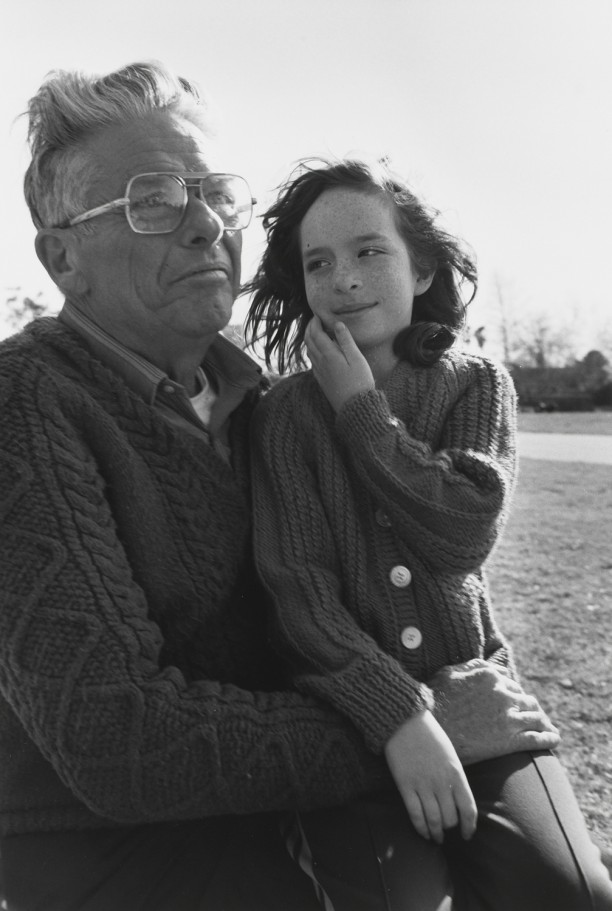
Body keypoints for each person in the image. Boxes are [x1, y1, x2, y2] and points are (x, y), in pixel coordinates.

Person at [0, 61, 568, 911]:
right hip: (111, 846)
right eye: (152, 200)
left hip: (285, 792)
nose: (205, 224)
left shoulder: (265, 402)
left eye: (216, 192)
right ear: (63, 257)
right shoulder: (26, 401)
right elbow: (118, 739)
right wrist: (410, 723)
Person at [245, 157, 612, 910]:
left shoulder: (476, 382)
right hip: (348, 719)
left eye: (369, 250)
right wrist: (397, 716)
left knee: (570, 890)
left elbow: (464, 531)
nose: (344, 277)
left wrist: (361, 413)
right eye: (320, 262)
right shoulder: (282, 415)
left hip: (477, 697)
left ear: (422, 269)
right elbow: (300, 593)